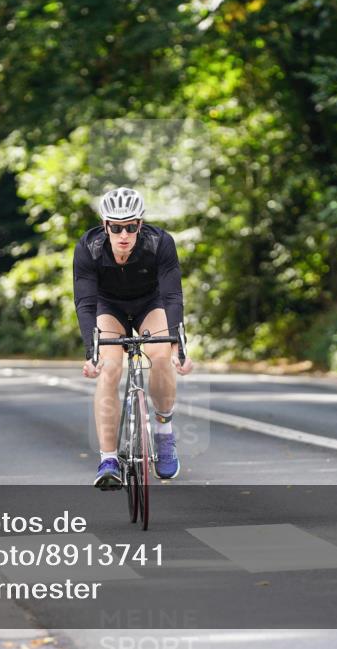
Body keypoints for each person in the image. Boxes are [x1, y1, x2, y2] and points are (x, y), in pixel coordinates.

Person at [73, 187, 194, 490]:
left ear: (140, 225)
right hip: (108, 306)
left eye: (130, 226)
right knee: (109, 369)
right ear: (105, 226)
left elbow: (172, 295)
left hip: (148, 303)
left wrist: (178, 345)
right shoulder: (89, 248)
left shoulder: (160, 243)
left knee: (162, 354)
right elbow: (86, 303)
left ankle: (164, 433)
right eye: (116, 227)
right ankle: (109, 459)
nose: (123, 234)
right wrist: (92, 352)